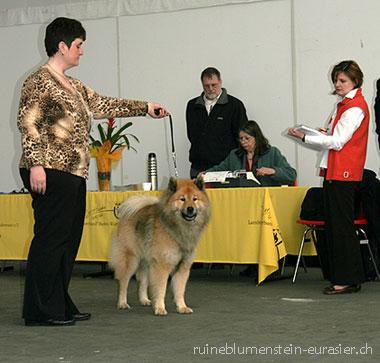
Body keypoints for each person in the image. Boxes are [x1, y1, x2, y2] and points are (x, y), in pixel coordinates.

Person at [17, 17, 169, 326]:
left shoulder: (72, 86)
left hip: (73, 172)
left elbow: (104, 104)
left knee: (68, 241)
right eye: (78, 45)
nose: (82, 51)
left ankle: (58, 302)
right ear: (62, 46)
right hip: (48, 169)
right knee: (51, 240)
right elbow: (29, 123)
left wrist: (145, 107)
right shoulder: (38, 81)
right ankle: (40, 310)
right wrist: (36, 165)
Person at [288, 60, 369, 295]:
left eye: (342, 80)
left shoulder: (354, 108)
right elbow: (334, 137)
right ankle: (348, 277)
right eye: (336, 80)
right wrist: (320, 134)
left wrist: (306, 137)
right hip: (336, 172)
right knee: (338, 227)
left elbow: (338, 141)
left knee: (341, 228)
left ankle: (346, 279)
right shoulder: (344, 105)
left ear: (355, 81)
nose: (338, 84)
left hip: (344, 173)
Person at [186, 67, 248, 178]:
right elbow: (192, 135)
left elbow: (242, 137)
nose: (210, 89)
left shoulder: (235, 105)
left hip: (226, 167)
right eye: (206, 85)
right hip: (199, 167)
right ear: (202, 84)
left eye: (214, 85)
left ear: (220, 82)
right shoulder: (192, 106)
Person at [206, 120, 297, 186]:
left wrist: (273, 171)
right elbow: (219, 169)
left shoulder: (272, 153)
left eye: (247, 138)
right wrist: (204, 174)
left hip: (267, 198)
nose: (243, 142)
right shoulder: (234, 155)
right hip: (240, 198)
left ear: (256, 138)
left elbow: (291, 174)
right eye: (241, 138)